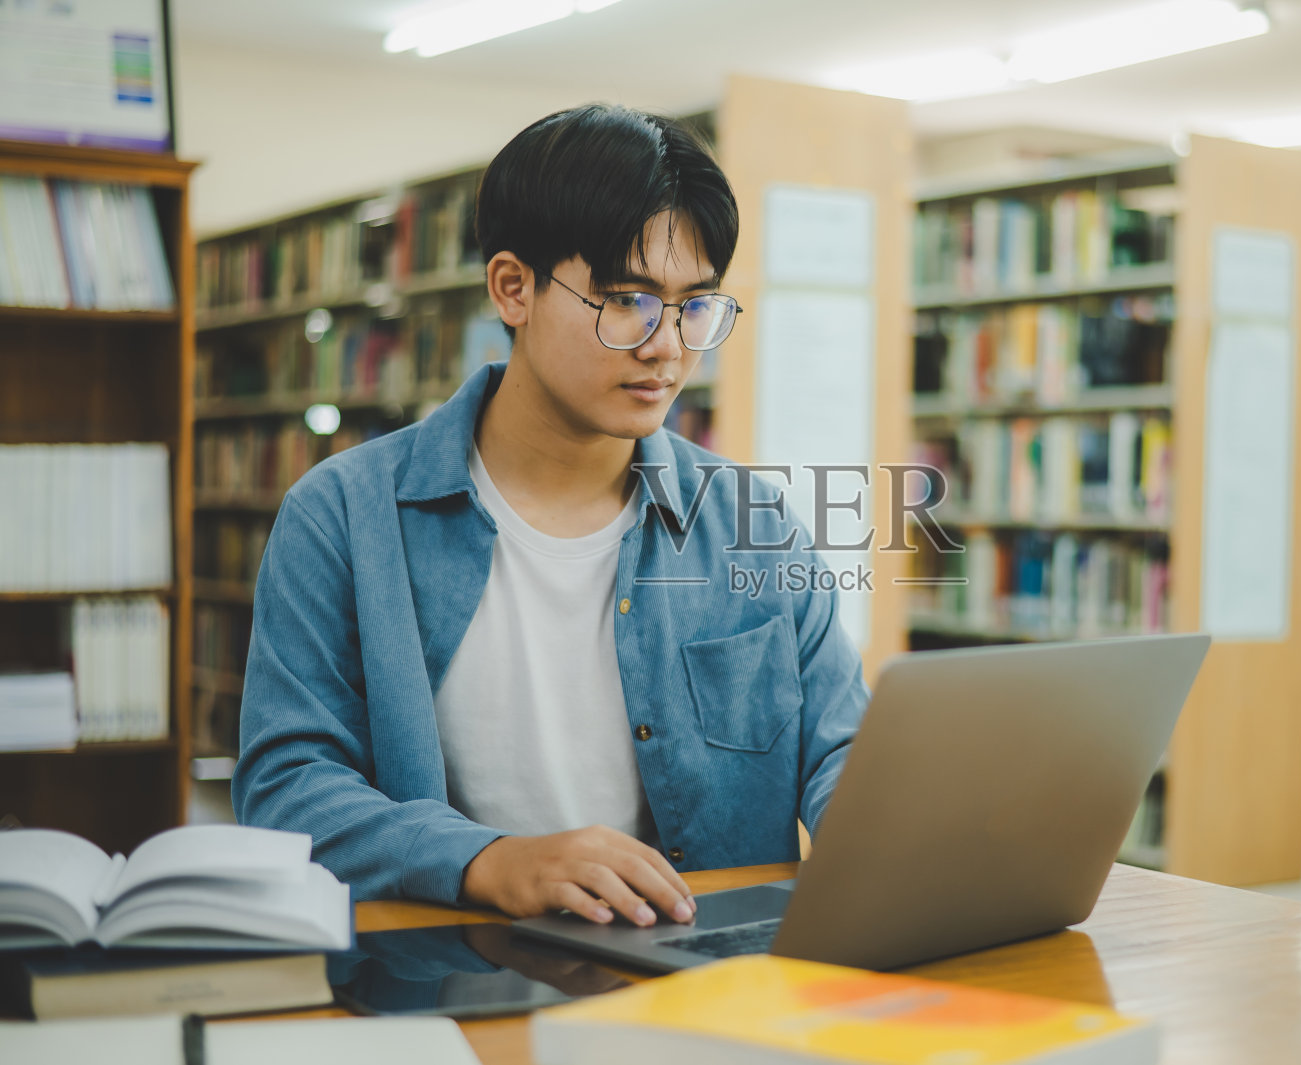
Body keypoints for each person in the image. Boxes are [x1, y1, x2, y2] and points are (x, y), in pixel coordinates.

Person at [232, 104, 870, 930]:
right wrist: (490, 861)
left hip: (715, 984)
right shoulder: (342, 518)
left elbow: (842, 746)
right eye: (627, 300)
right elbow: (287, 786)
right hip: (452, 980)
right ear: (513, 288)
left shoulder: (756, 521)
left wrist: (896, 824)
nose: (667, 346)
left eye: (694, 305)